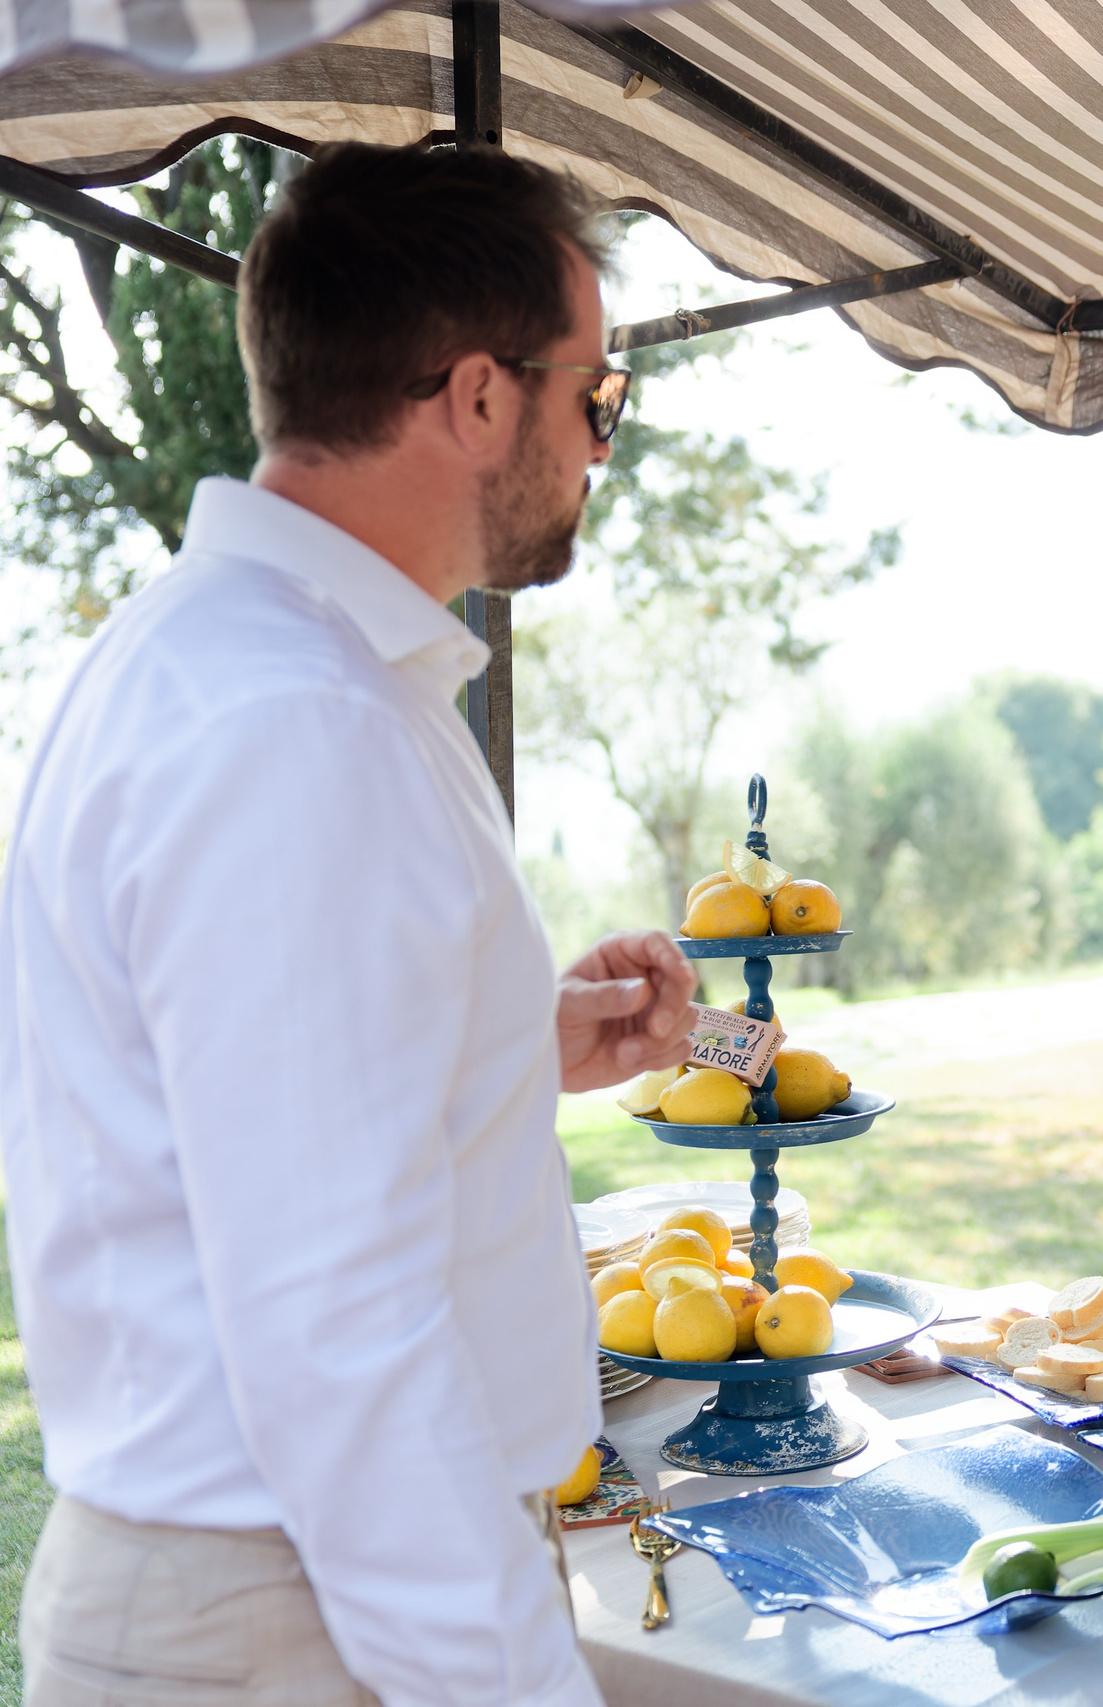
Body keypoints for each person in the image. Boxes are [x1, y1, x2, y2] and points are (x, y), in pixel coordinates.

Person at [1, 143, 694, 1707]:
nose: (602, 442)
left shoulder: (249, 661)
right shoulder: (295, 721)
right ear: (475, 397)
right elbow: (338, 1334)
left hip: (295, 1583)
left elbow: (250, 1130)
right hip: (290, 1605)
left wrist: (520, 1032)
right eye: (599, 392)